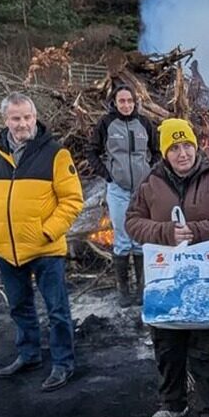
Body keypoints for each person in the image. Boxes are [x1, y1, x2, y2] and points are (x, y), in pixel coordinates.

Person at [126, 118, 209, 417]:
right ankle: (173, 403)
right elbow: (132, 222)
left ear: (195, 146)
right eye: (174, 148)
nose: (183, 153)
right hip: (165, 280)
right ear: (164, 152)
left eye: (187, 146)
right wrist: (166, 232)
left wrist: (197, 230)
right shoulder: (150, 182)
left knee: (208, 351)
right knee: (167, 347)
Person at [0, 92, 84, 390]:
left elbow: (73, 200)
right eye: (16, 118)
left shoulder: (55, 154)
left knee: (57, 310)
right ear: (5, 120)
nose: (22, 123)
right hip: (6, 249)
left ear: (35, 118)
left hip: (45, 249)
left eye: (27, 117)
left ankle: (63, 363)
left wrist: (48, 231)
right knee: (19, 306)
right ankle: (29, 354)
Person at [86, 84, 160, 308]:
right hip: (117, 189)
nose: (126, 105)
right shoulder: (106, 123)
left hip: (141, 189)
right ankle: (123, 291)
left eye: (129, 101)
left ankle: (141, 289)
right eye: (122, 101)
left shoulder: (144, 123)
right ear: (115, 103)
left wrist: (150, 172)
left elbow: (157, 151)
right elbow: (91, 151)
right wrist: (107, 176)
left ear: (135, 102)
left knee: (139, 238)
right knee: (122, 238)